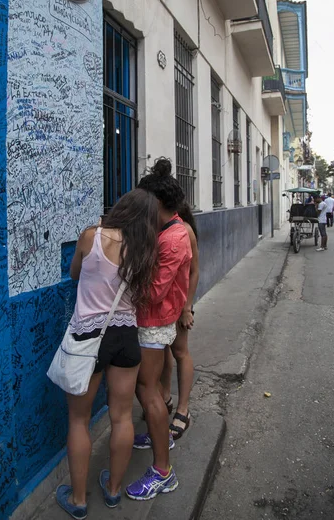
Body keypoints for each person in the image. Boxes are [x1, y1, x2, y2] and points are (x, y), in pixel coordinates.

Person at [56, 189, 160, 518]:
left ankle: (78, 500)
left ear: (121, 209)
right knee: (122, 417)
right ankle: (113, 490)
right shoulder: (143, 250)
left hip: (89, 338)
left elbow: (75, 273)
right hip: (126, 338)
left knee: (78, 419)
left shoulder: (92, 235)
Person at [125, 158, 192, 502]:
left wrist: (125, 275)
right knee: (147, 389)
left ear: (158, 203)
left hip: (154, 322)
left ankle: (163, 473)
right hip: (156, 320)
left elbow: (153, 293)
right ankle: (158, 433)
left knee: (147, 391)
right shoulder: (169, 231)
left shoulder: (174, 239)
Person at [160, 200, 199, 440]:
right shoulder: (159, 227)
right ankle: (165, 396)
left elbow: (195, 271)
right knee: (163, 350)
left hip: (179, 304)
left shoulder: (185, 230)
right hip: (161, 306)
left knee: (180, 352)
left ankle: (183, 410)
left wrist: (187, 307)